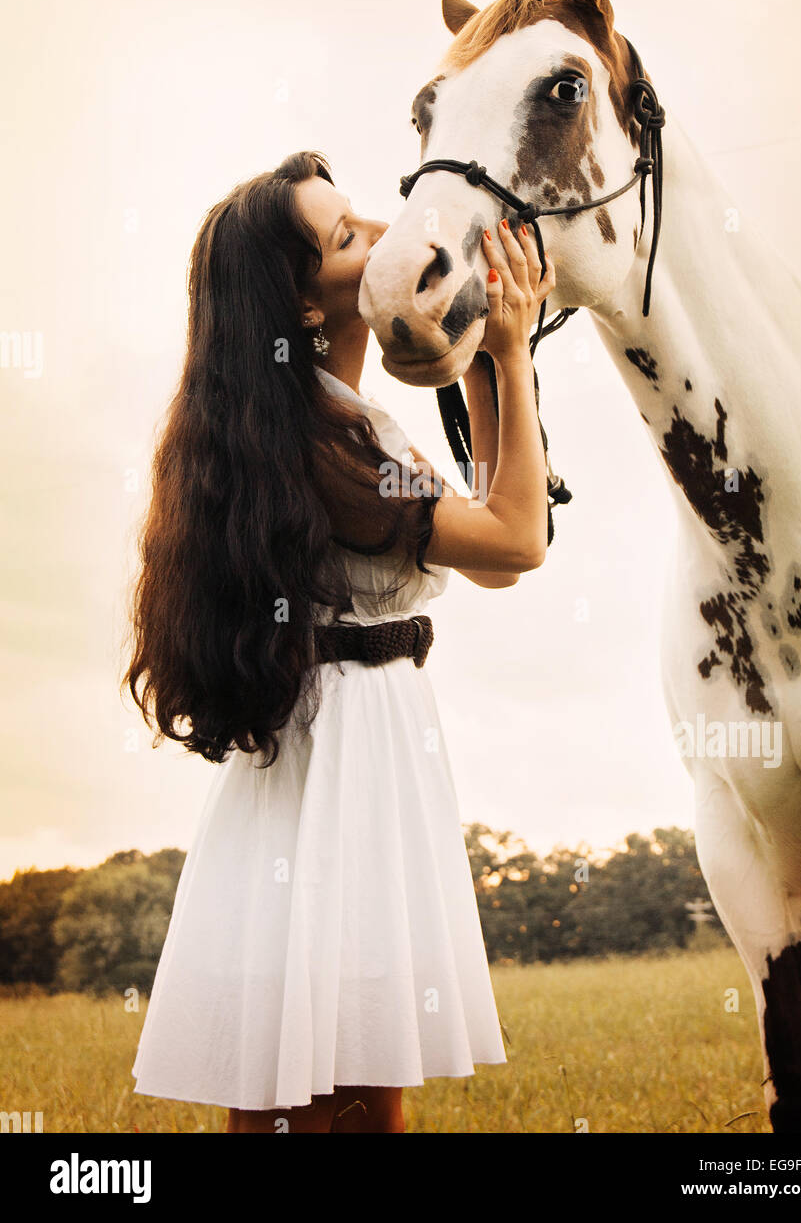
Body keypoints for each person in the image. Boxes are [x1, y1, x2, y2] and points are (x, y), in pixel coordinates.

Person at [123, 149, 553, 1133]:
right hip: (348, 761)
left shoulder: (341, 425)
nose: (378, 238)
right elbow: (518, 539)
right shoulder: (331, 447)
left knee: (345, 1085)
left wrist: (483, 355)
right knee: (320, 1097)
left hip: (353, 755)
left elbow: (488, 541)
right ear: (304, 306)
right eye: (347, 236)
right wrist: (514, 356)